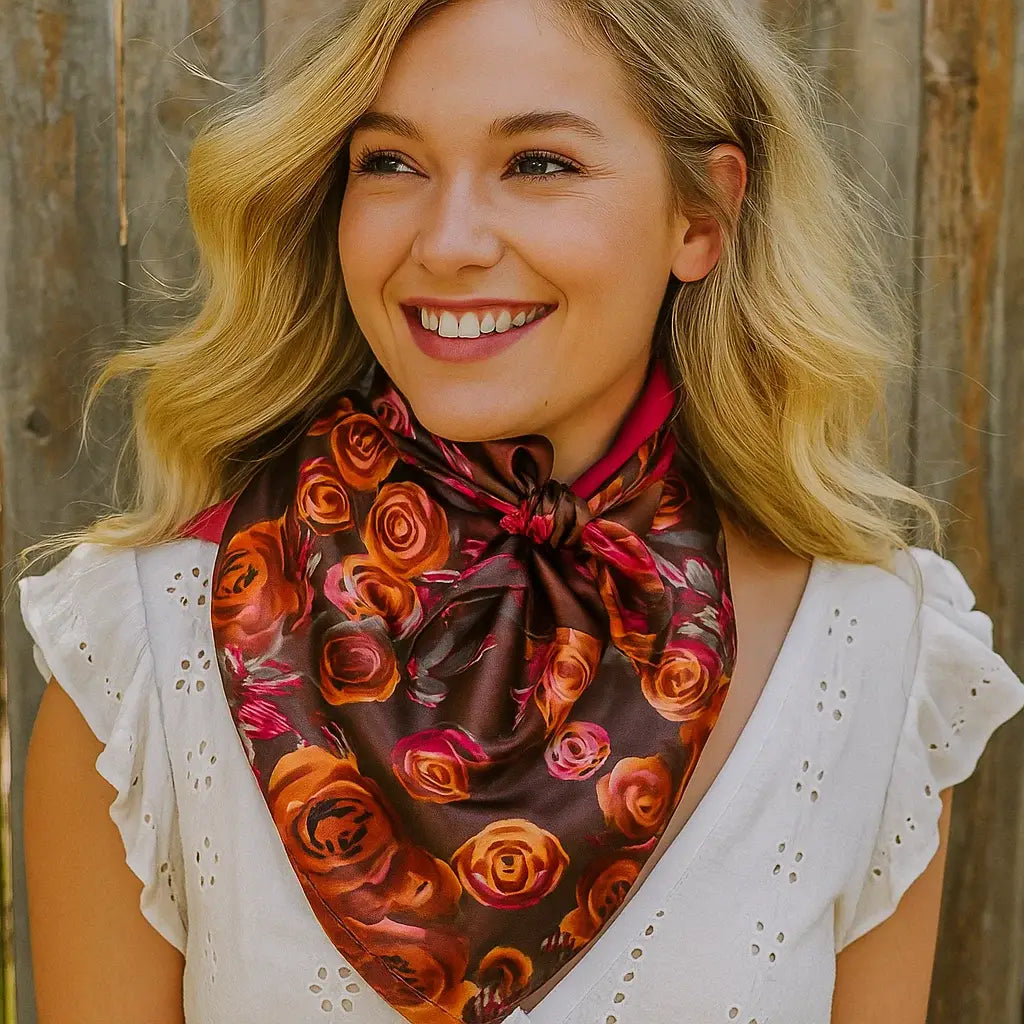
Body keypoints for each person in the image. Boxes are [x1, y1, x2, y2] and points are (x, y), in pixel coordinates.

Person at [18, 0, 1024, 1022]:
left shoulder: (877, 659)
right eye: (390, 163)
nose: (448, 242)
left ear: (701, 216)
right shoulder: (142, 658)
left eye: (538, 163)